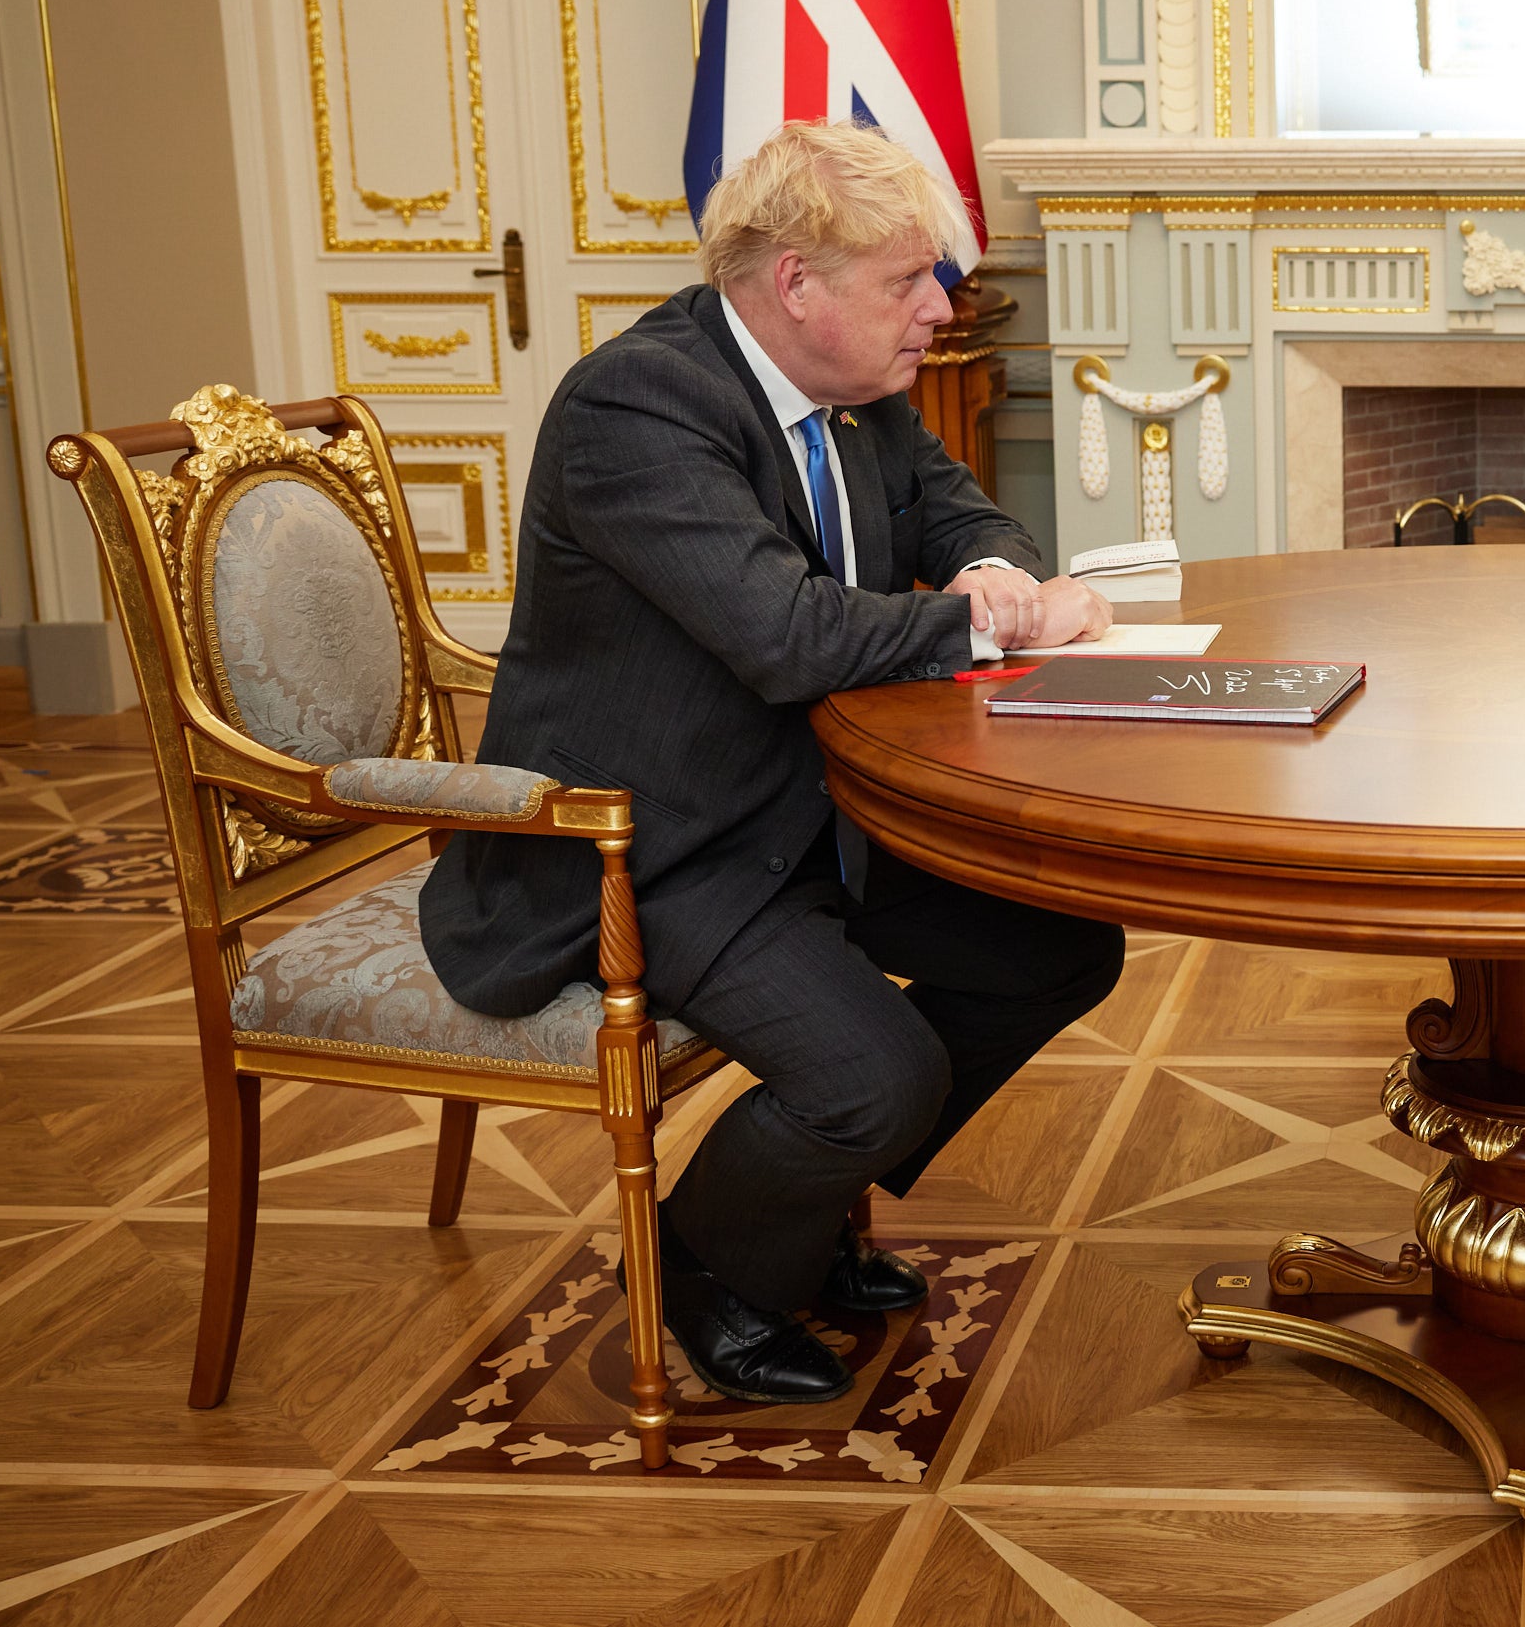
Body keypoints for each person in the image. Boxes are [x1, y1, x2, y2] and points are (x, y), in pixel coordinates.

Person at [421, 120, 1124, 1404]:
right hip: (646, 838)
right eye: (908, 279)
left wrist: (993, 572)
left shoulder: (855, 391)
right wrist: (991, 621)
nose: (938, 308)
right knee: (879, 1076)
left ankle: (797, 1212)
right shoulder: (638, 406)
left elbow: (962, 507)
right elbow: (783, 635)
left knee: (1060, 944)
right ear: (796, 284)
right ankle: (702, 1264)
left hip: (808, 806)